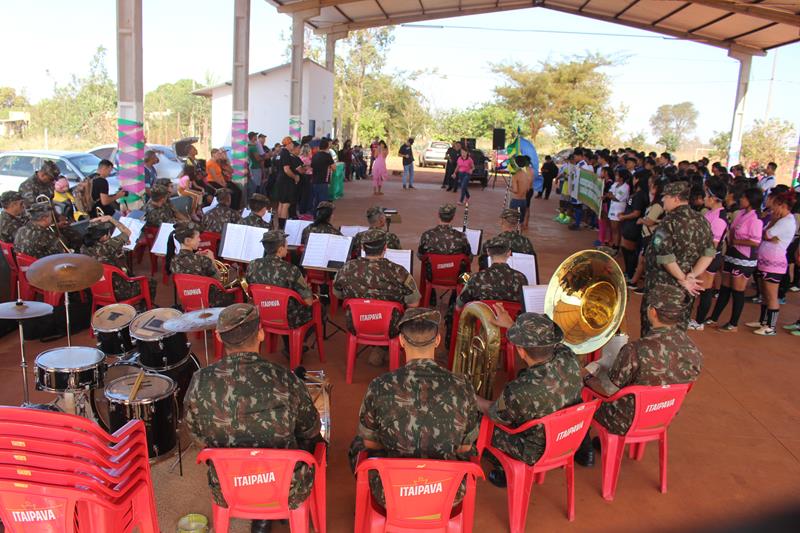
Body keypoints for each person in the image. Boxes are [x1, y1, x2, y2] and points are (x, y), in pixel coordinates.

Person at [184, 303, 321, 533]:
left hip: (228, 484)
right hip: (285, 485)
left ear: (218, 337)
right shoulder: (285, 378)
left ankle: (260, 516)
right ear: (261, 333)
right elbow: (310, 429)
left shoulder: (200, 380)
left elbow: (197, 436)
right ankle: (271, 512)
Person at [347, 307, 481, 506]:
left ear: (401, 341)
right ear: (437, 340)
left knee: (356, 445)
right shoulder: (463, 385)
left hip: (391, 492)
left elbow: (369, 443)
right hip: (447, 491)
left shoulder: (380, 385)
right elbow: (465, 446)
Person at [477, 306, 583, 486]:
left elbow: (493, 413)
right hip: (569, 437)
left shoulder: (518, 391)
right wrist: (511, 325)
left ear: (521, 351)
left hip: (535, 450)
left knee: (477, 422)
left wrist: (470, 395)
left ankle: (505, 470)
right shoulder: (569, 356)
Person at [583, 284, 703, 436]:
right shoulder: (694, 350)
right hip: (663, 416)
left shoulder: (635, 350)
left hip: (626, 420)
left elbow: (607, 390)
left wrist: (587, 378)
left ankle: (584, 448)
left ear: (652, 312)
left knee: (584, 393)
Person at [640, 181, 714, 335]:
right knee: (678, 330)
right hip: (685, 290)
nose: (663, 201)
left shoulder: (669, 222)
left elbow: (666, 257)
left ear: (675, 198)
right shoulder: (702, 221)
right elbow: (709, 254)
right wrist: (691, 276)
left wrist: (682, 279)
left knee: (653, 331)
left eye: (665, 197)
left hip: (661, 287)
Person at [333, 229, 420, 339]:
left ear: (363, 248)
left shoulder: (346, 268)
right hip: (390, 327)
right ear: (385, 247)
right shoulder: (399, 271)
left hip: (356, 324)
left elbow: (337, 293)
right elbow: (414, 303)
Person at [708, 187, 764, 332]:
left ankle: (733, 324)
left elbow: (755, 241)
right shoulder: (740, 214)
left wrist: (736, 242)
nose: (741, 199)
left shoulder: (756, 218)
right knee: (725, 288)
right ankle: (714, 317)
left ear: (750, 200)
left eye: (744, 197)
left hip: (744, 257)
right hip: (732, 254)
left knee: (738, 291)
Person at [747, 190, 797, 335]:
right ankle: (763, 321)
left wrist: (771, 226)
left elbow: (766, 234)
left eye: (775, 206)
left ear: (782, 206)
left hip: (774, 262)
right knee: (764, 293)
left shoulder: (786, 221)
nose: (773, 210)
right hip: (766, 260)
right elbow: (765, 234)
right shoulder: (781, 220)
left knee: (771, 295)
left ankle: (771, 326)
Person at [80, 216, 155, 305]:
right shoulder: (109, 245)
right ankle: (143, 308)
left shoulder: (83, 248)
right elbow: (127, 232)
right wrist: (110, 219)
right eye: (109, 234)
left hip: (97, 291)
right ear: (104, 237)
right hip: (119, 292)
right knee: (151, 282)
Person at [689, 178, 729, 330]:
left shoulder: (719, 218)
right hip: (702, 256)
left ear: (713, 198)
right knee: (700, 287)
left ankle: (699, 322)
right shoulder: (712, 213)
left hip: (709, 258)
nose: (704, 198)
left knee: (705, 289)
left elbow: (713, 245)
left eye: (706, 195)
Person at [166, 221, 235, 307]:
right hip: (209, 301)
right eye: (197, 237)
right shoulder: (203, 260)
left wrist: (195, 256)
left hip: (188, 300)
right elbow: (219, 280)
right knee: (235, 291)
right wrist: (212, 259)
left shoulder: (173, 260)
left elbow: (189, 266)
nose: (200, 239)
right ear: (187, 241)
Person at [456, 236, 526, 309]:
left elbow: (459, 304)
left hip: (482, 320)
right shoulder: (521, 278)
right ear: (509, 253)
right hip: (510, 319)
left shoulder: (477, 277)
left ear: (488, 252)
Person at [618, 170, 650, 281]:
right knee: (625, 248)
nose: (633, 180)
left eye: (634, 178)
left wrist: (624, 217)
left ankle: (630, 273)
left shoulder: (640, 195)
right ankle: (628, 271)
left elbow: (636, 213)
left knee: (630, 250)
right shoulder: (638, 194)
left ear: (638, 180)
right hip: (628, 225)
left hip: (632, 227)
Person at [276, 138, 303, 228]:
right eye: (291, 143)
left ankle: (280, 226)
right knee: (286, 204)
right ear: (288, 144)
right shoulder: (286, 153)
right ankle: (282, 226)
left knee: (281, 203)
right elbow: (287, 170)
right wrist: (295, 177)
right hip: (286, 181)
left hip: (280, 180)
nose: (292, 145)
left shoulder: (280, 153)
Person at [606, 168, 631, 252]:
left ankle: (616, 246)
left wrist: (611, 196)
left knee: (616, 228)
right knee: (612, 228)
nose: (616, 176)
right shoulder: (615, 184)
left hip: (619, 209)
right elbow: (609, 193)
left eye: (617, 175)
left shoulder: (626, 187)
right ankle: (614, 243)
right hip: (613, 208)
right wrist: (611, 195)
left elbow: (616, 198)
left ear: (622, 177)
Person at [310, 138, 335, 210]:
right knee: (323, 200)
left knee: (316, 200)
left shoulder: (314, 155)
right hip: (323, 180)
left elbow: (312, 167)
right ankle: (322, 215)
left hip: (314, 180)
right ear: (327, 147)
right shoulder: (327, 156)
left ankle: (315, 215)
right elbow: (334, 168)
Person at [509, 156, 533, 226]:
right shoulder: (526, 174)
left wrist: (510, 189)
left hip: (516, 200)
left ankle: (514, 236)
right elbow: (528, 188)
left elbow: (515, 190)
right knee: (520, 223)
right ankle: (519, 235)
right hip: (524, 201)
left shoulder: (515, 175)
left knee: (512, 223)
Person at [246, 132, 264, 199]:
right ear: (253, 137)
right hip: (255, 167)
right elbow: (258, 158)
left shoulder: (249, 145)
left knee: (255, 186)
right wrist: (266, 157)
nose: (256, 137)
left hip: (253, 167)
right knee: (255, 186)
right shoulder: (252, 147)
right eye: (255, 136)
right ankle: (254, 203)